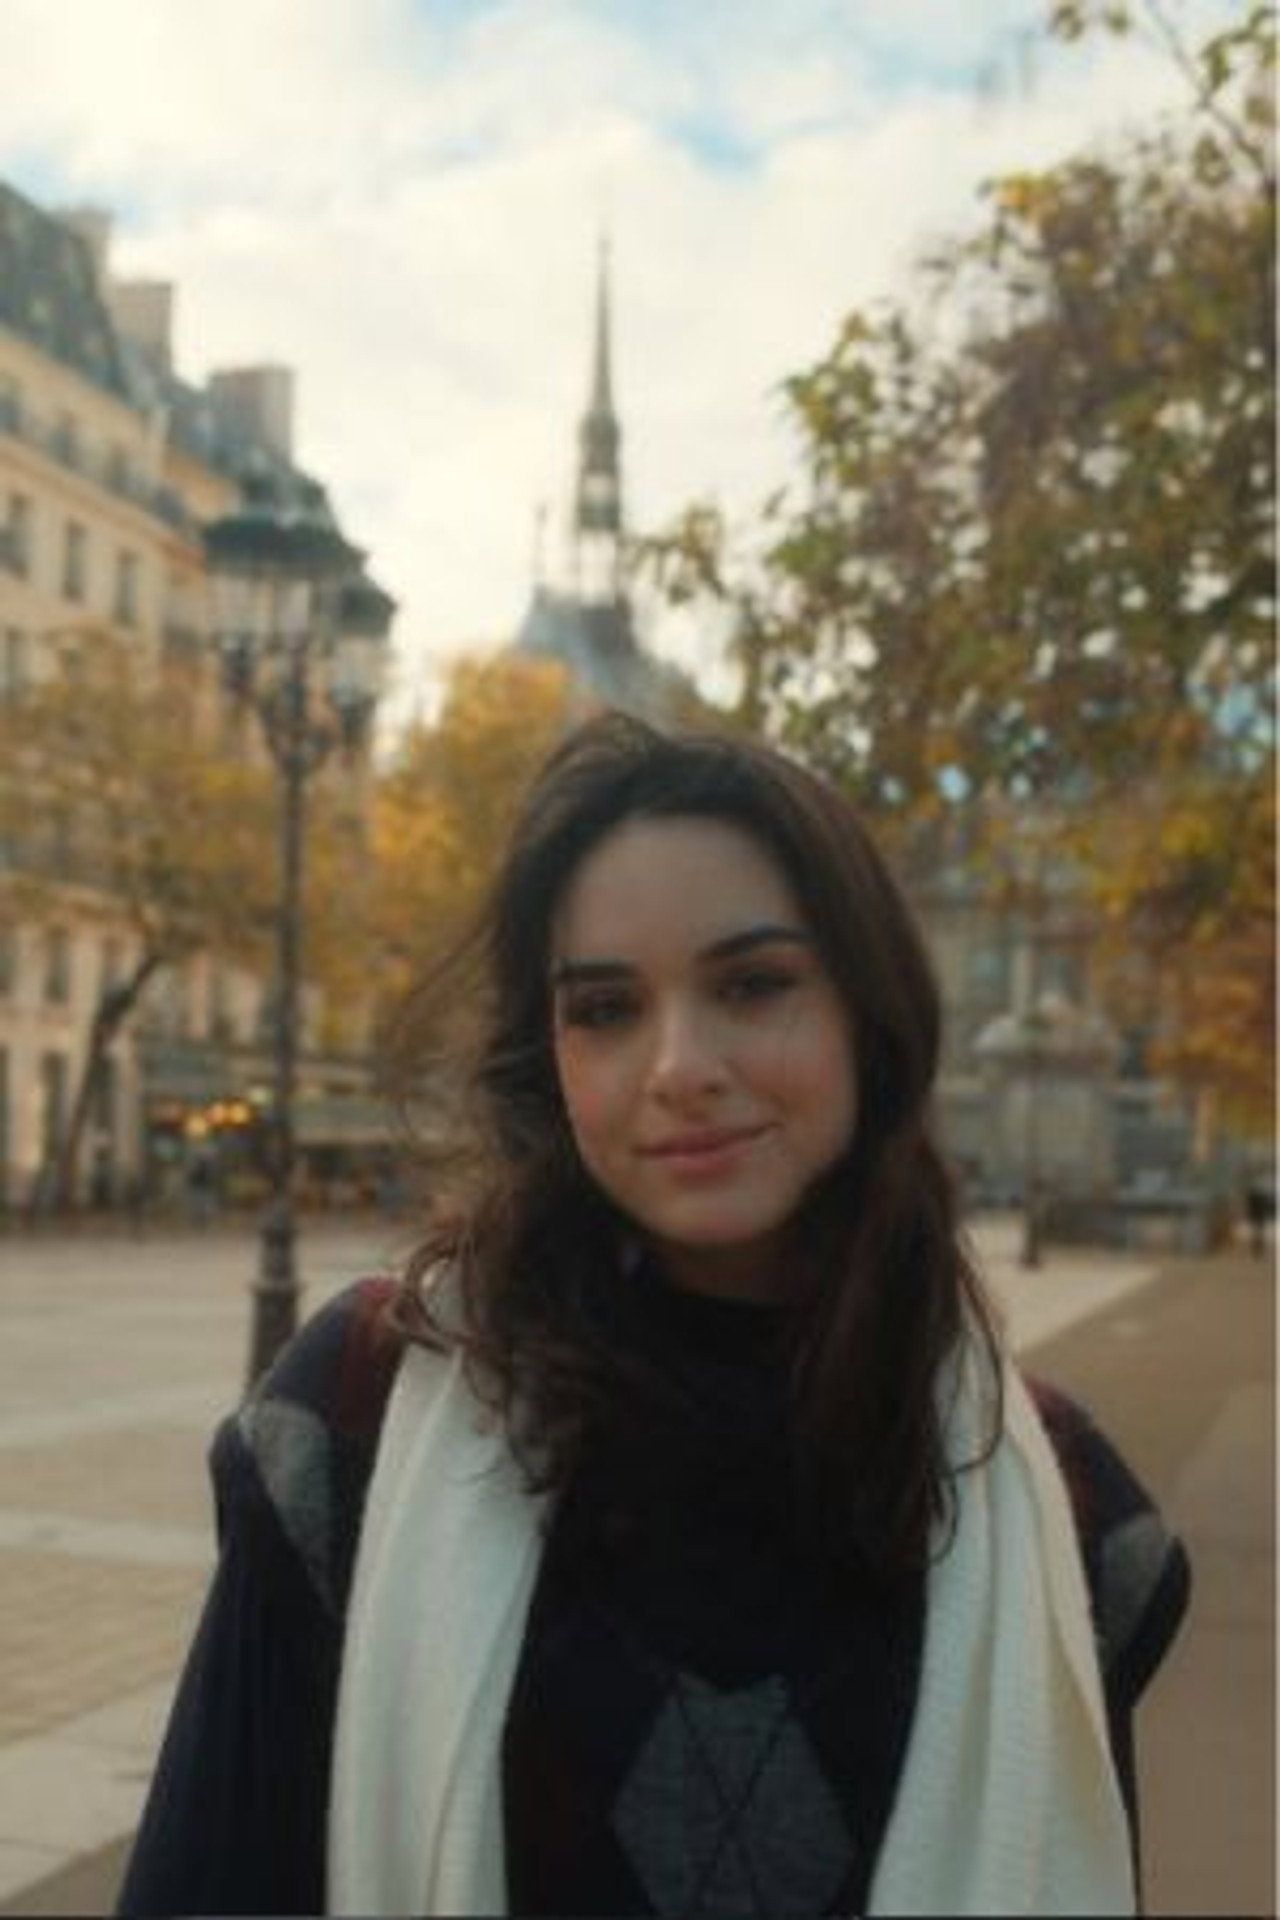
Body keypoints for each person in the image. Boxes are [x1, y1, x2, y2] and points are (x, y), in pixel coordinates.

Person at [118, 713, 1190, 1918]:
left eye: (753, 984)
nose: (678, 1065)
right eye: (604, 1008)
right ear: (549, 1055)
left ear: (869, 1012)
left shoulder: (1069, 1521)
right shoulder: (351, 1425)